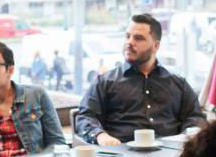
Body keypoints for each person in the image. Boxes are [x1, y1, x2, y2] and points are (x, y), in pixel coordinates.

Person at [74, 14, 207, 145]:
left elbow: (195, 117)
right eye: (127, 36)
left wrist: (189, 135)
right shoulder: (104, 82)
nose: (129, 42)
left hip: (170, 156)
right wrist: (100, 135)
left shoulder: (178, 83)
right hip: (121, 156)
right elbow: (85, 117)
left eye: (138, 38)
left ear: (156, 46)